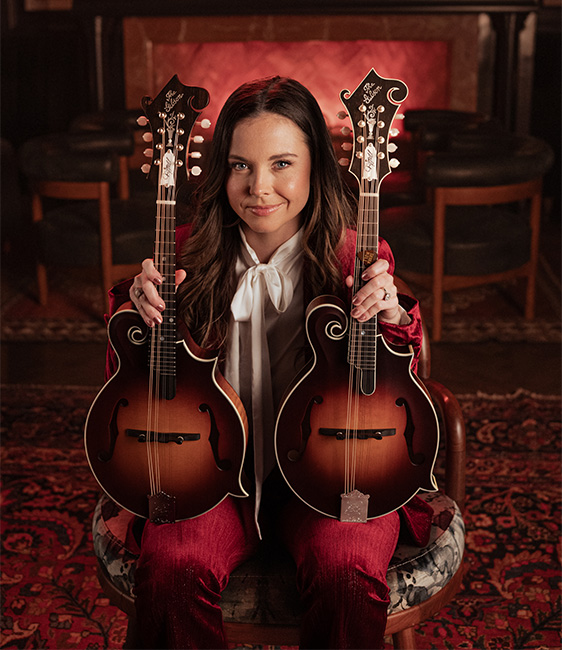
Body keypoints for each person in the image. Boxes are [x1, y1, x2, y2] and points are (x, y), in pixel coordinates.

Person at [106, 75, 432, 649]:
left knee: (347, 565)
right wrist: (136, 317)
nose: (260, 188)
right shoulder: (181, 252)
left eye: (282, 163)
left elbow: (400, 380)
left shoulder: (355, 255)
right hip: (208, 472)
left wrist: (390, 319)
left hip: (334, 468)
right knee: (174, 565)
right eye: (241, 165)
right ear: (220, 170)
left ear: (315, 167)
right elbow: (128, 385)